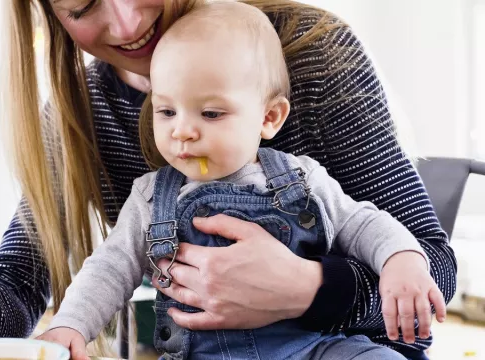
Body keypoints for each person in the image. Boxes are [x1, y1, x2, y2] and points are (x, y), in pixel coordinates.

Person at [0, 0, 455, 359]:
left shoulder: (306, 56)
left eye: (213, 113)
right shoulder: (83, 116)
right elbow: (26, 282)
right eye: (81, 5)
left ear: (270, 115)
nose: (128, 20)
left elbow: (433, 269)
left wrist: (307, 289)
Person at [42, 2, 445, 359]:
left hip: (314, 347)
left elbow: (364, 223)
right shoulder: (149, 197)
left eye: (211, 114)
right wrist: (71, 323)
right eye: (166, 112)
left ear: (269, 118)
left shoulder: (300, 177)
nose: (182, 131)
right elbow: (109, 269)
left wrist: (401, 260)